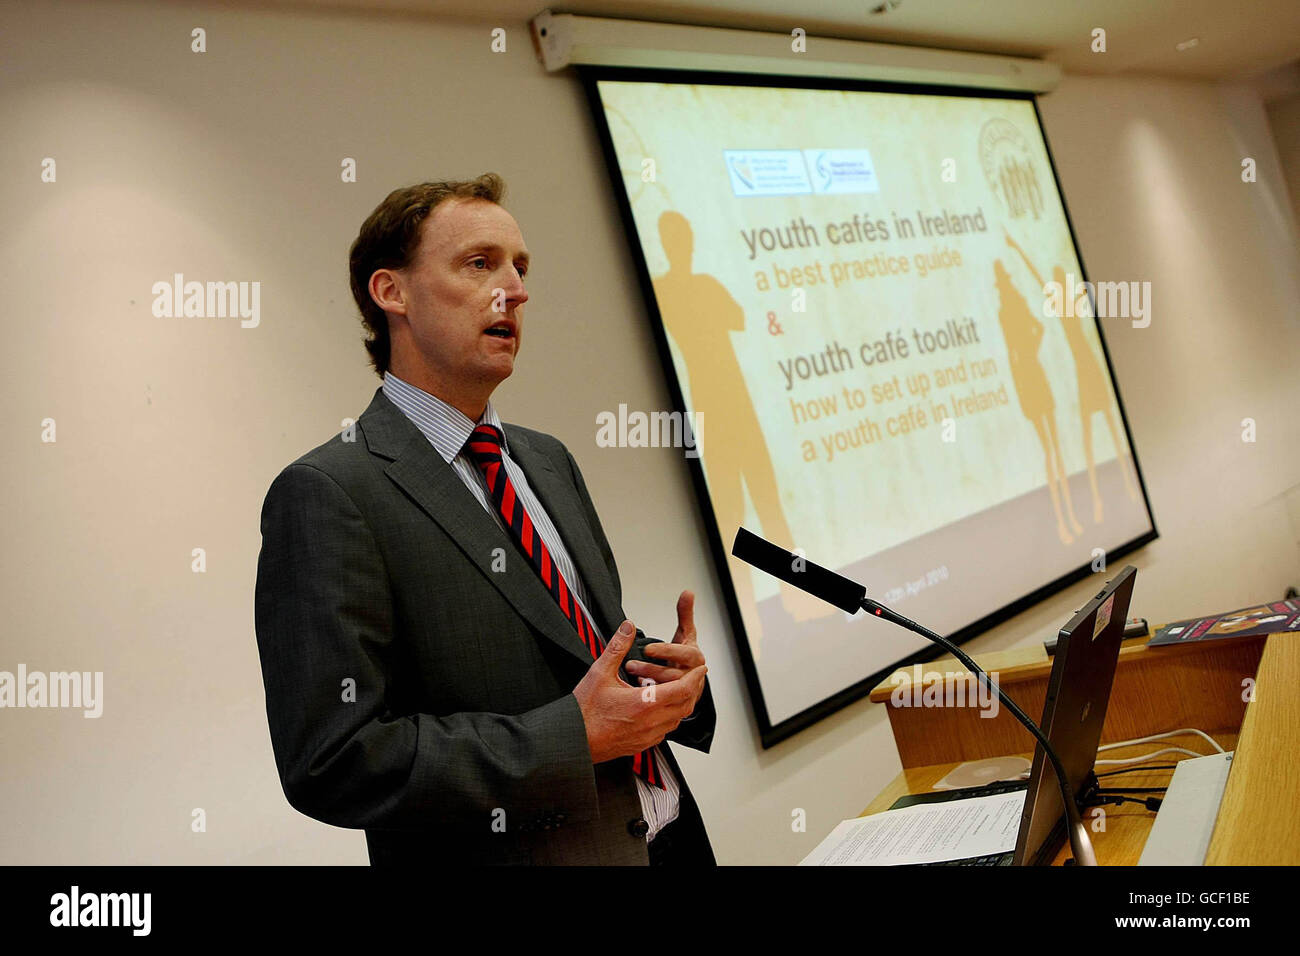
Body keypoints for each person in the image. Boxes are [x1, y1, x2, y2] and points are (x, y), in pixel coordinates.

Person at [253, 174, 716, 865]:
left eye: (520, 268)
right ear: (392, 292)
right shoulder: (329, 493)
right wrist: (569, 740)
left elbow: (565, 649)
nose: (516, 290)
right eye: (480, 264)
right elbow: (335, 759)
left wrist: (659, 676)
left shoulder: (546, 459)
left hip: (673, 841)